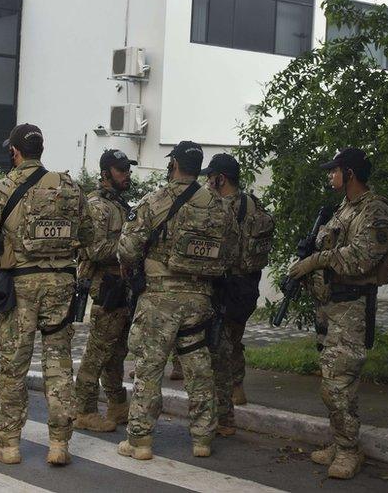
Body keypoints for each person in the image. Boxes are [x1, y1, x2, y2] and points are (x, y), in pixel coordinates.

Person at [0, 123, 94, 466]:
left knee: (13, 367)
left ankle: (8, 446)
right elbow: (90, 235)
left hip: (20, 287)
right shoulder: (69, 189)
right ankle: (58, 445)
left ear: (15, 152)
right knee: (59, 365)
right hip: (61, 286)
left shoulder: (2, 189)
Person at [116, 141, 238, 460]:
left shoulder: (155, 200)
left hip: (158, 300)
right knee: (199, 367)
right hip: (200, 299)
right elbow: (232, 252)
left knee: (149, 367)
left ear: (174, 165)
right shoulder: (219, 205)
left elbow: (127, 249)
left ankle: (140, 441)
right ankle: (202, 439)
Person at [287, 147, 388, 479]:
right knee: (334, 383)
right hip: (331, 308)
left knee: (337, 384)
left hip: (351, 308)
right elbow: (330, 247)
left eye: (334, 171)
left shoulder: (375, 211)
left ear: (349, 173)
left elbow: (362, 258)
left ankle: (350, 451)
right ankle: (341, 442)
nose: (330, 176)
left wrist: (316, 261)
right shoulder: (343, 210)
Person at [201, 153, 274, 435]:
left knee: (221, 342)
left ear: (221, 178)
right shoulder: (252, 203)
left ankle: (226, 400)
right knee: (235, 335)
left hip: (225, 284)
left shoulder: (221, 207)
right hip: (247, 284)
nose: (207, 181)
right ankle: (237, 387)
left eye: (211, 177)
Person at [72, 149, 137, 432]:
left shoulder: (119, 204)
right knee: (97, 352)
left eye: (128, 170)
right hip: (107, 287)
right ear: (106, 173)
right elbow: (95, 249)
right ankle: (83, 409)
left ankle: (118, 404)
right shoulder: (98, 206)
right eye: (121, 170)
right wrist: (132, 248)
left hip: (123, 287)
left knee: (117, 351)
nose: (127, 174)